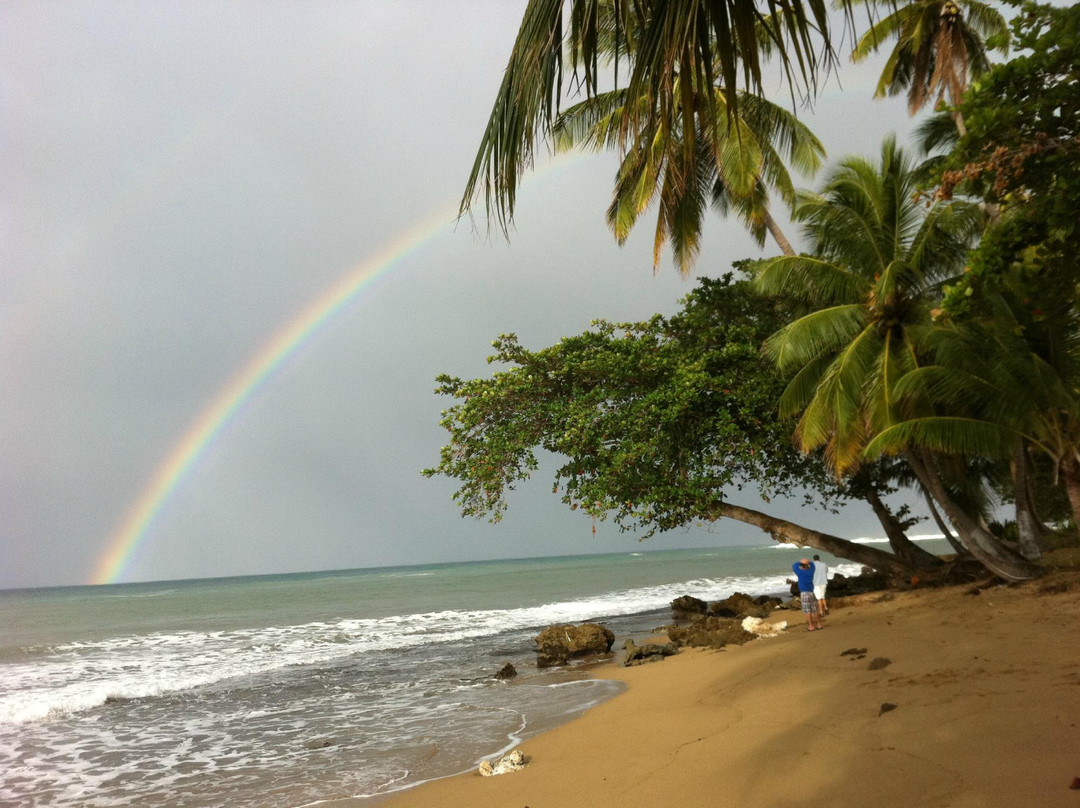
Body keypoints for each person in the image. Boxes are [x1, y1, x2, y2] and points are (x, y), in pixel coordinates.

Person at [787, 558, 822, 631]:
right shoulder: (811, 571)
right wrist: (808, 562)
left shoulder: (800, 572)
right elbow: (813, 565)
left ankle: (811, 626)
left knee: (807, 610)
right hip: (811, 592)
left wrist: (800, 562)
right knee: (814, 609)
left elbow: (794, 566)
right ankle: (819, 624)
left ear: (802, 566)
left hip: (804, 593)